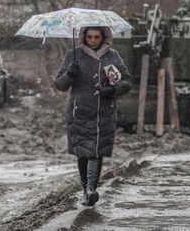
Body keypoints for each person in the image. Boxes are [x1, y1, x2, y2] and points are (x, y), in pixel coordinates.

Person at [54, 26, 132, 206]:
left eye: (97, 37)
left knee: (96, 150)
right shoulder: (73, 55)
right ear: (84, 36)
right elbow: (59, 84)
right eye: (89, 37)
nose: (93, 40)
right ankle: (85, 190)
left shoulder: (112, 55)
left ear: (104, 37)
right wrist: (69, 74)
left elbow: (127, 81)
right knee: (83, 152)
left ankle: (91, 190)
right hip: (79, 110)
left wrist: (112, 89)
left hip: (103, 110)